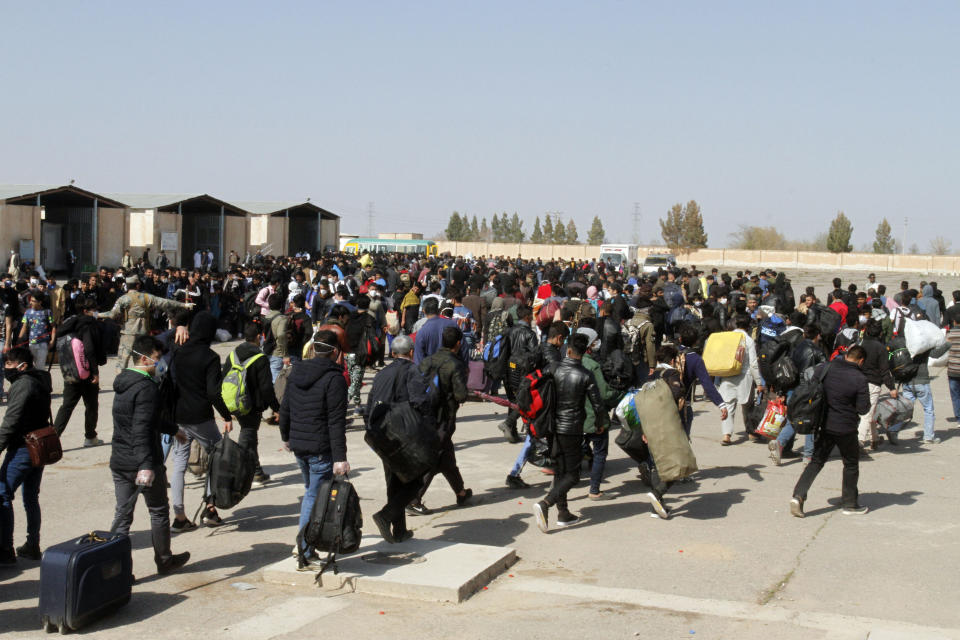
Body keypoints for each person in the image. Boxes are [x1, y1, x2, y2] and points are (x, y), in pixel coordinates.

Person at [110, 335, 190, 574]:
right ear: (144, 358)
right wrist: (146, 465)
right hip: (142, 462)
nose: (160, 363)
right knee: (158, 510)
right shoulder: (146, 388)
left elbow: (146, 419)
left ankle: (118, 572)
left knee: (123, 515)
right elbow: (141, 429)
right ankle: (164, 560)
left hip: (120, 459)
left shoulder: (124, 382)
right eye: (156, 359)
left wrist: (173, 430)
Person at [279, 329, 350, 568]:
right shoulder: (334, 378)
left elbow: (285, 407)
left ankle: (306, 542)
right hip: (320, 446)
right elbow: (335, 420)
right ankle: (304, 547)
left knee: (312, 491)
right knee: (313, 496)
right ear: (335, 352)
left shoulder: (296, 370)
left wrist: (285, 436)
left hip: (299, 444)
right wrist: (340, 458)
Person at [532, 332, 607, 533]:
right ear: (583, 352)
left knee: (560, 470)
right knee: (573, 475)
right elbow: (598, 405)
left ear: (569, 349)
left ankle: (563, 513)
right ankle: (546, 504)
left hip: (553, 427)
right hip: (573, 428)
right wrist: (600, 423)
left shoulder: (553, 369)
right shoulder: (585, 374)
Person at [169, 312, 234, 532]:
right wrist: (226, 415)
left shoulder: (178, 351)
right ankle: (210, 507)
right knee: (216, 457)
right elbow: (214, 392)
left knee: (179, 463)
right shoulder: (210, 357)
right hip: (201, 416)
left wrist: (177, 327)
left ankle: (179, 515)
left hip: (178, 414)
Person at [790, 346, 871, 517]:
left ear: (846, 355)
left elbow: (811, 387)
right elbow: (863, 409)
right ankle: (849, 503)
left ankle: (798, 495)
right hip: (846, 427)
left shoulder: (826, 368)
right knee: (850, 463)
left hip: (824, 424)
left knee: (816, 461)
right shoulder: (860, 378)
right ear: (861, 361)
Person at [367, 335, 428, 543]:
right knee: (414, 480)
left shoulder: (382, 374)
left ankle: (399, 530)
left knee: (393, 482)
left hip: (382, 434)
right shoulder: (413, 371)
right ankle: (386, 515)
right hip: (403, 436)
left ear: (393, 353)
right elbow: (420, 402)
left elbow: (370, 403)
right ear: (411, 352)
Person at [409, 326, 472, 515]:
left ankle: (460, 492)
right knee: (434, 458)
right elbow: (461, 395)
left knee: (446, 456)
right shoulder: (455, 364)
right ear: (458, 344)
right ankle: (413, 499)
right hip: (443, 417)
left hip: (424, 414)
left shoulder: (428, 360)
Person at [0, 346, 51, 565]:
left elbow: (11, 422)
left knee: (2, 494)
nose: (6, 368)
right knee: (30, 496)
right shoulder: (40, 380)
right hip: (38, 445)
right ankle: (32, 544)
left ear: (22, 366)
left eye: (9, 364)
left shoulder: (23, 385)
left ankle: (5, 549)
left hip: (23, 447)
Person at [505, 322, 568, 489]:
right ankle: (517, 473)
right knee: (534, 438)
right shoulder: (553, 356)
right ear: (559, 338)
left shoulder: (540, 347)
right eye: (564, 340)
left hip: (535, 398)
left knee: (534, 437)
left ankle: (517, 473)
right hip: (544, 401)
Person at [98, 274, 193, 372]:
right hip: (144, 333)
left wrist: (97, 315)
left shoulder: (123, 299)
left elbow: (112, 314)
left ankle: (121, 382)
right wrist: (184, 305)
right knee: (144, 360)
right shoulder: (147, 298)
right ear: (137, 285)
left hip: (128, 334)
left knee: (122, 362)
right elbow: (165, 302)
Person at [222, 324, 279, 487]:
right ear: (258, 337)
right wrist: (276, 407)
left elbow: (224, 377)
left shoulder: (233, 355)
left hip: (234, 402)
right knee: (247, 437)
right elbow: (266, 388)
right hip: (251, 405)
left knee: (250, 437)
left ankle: (256, 470)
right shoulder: (260, 358)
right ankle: (241, 473)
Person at [53, 298, 107, 447]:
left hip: (71, 370)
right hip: (87, 371)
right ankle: (90, 437)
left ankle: (53, 437)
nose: (95, 312)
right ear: (85, 311)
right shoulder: (88, 325)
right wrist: (95, 372)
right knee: (91, 405)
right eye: (93, 309)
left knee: (67, 406)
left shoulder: (71, 324)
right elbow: (89, 349)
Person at [716, 314, 764, 446]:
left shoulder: (728, 337)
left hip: (728, 375)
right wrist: (759, 382)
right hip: (744, 378)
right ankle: (751, 432)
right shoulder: (748, 340)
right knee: (747, 407)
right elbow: (753, 364)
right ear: (748, 326)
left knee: (728, 406)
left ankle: (726, 435)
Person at [498, 305, 539, 443]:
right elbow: (534, 356)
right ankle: (510, 425)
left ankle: (512, 431)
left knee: (512, 401)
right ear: (527, 317)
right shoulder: (530, 334)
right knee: (523, 401)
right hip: (523, 372)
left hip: (508, 370)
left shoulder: (509, 331)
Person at [19, 293, 55, 370]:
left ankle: (40, 380)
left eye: (33, 301)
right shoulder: (27, 312)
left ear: (40, 302)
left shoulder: (47, 312)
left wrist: (52, 341)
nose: (31, 303)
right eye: (30, 301)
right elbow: (24, 327)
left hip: (43, 344)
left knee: (40, 367)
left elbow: (53, 327)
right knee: (32, 366)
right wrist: (19, 339)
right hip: (31, 343)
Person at [263, 293, 291, 383]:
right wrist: (285, 355)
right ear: (281, 305)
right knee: (276, 380)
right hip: (277, 352)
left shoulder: (266, 317)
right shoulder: (281, 318)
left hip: (266, 349)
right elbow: (281, 335)